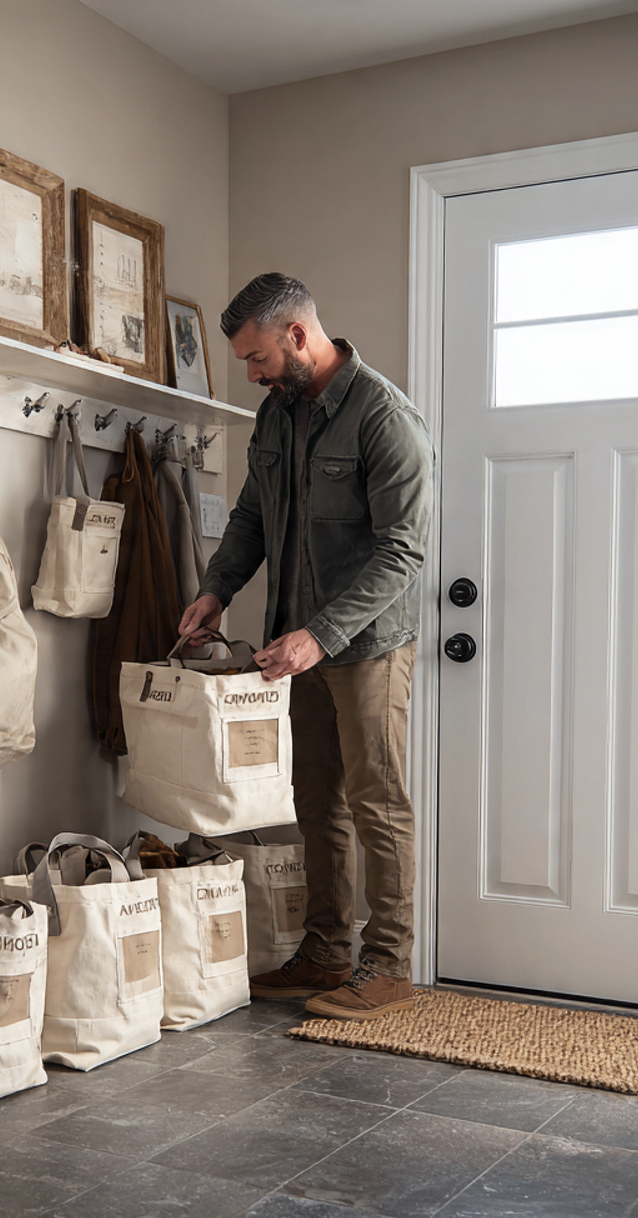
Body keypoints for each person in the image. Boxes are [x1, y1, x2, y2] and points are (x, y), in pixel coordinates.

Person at [179, 274, 433, 1019]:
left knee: (376, 800)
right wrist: (217, 588)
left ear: (297, 335)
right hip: (295, 642)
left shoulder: (385, 419)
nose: (251, 374)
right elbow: (253, 519)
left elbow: (403, 553)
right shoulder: (274, 416)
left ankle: (389, 966)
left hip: (366, 647)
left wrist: (321, 636)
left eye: (256, 358)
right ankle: (326, 954)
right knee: (315, 800)